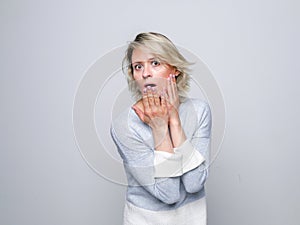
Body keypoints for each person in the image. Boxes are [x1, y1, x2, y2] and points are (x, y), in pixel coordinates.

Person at [110, 32, 212, 225]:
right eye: (138, 66)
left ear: (175, 69)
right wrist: (159, 130)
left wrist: (174, 120)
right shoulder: (125, 125)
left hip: (192, 219)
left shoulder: (199, 111)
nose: (146, 73)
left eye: (155, 63)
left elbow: (194, 184)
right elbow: (169, 193)